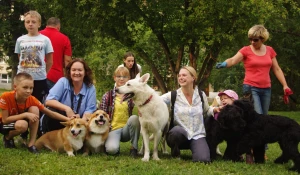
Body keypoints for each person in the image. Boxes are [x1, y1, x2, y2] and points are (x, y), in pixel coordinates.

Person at [216, 24, 291, 116]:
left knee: (264, 117)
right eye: (250, 39)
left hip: (266, 88)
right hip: (251, 88)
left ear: (262, 39)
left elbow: (277, 69)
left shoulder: (270, 50)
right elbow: (232, 60)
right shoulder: (246, 50)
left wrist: (285, 85)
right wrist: (224, 64)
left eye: (255, 40)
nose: (252, 42)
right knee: (257, 116)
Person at [0, 73, 67, 154]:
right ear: (15, 87)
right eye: (25, 87)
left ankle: (31, 144)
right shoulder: (6, 97)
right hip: (4, 124)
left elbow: (50, 113)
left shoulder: (32, 99)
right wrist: (25, 115)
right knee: (22, 125)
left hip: (20, 122)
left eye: (31, 88)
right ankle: (7, 137)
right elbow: (5, 120)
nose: (28, 91)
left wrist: (68, 119)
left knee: (34, 108)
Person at [161, 66, 213, 163]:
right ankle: (175, 151)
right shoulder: (173, 95)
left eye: (184, 75)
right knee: (176, 132)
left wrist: (215, 110)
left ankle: (197, 149)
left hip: (197, 135)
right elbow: (156, 101)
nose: (180, 77)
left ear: (193, 78)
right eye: (179, 75)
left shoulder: (201, 95)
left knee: (203, 160)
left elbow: (207, 111)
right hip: (179, 134)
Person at [42, 59, 97, 133]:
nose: (76, 73)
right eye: (73, 70)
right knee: (50, 110)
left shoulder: (90, 88)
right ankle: (45, 133)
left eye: (80, 70)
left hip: (78, 124)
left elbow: (89, 110)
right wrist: (67, 109)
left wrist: (80, 122)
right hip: (60, 120)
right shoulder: (63, 81)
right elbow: (49, 101)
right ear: (69, 72)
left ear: (85, 72)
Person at [99, 67, 140, 158]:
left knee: (134, 118)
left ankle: (134, 148)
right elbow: (101, 113)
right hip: (113, 129)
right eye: (119, 76)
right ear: (114, 78)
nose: (121, 79)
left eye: (125, 77)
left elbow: (141, 105)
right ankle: (114, 146)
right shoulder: (107, 95)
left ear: (128, 78)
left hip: (127, 129)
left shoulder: (132, 95)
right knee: (111, 150)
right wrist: (106, 125)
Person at [14, 10, 53, 103]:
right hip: (23, 78)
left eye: (33, 22)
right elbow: (20, 57)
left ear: (39, 24)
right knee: (21, 103)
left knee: (38, 104)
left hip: (39, 78)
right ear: (24, 24)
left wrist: (43, 72)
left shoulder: (45, 40)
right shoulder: (20, 40)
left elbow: (50, 61)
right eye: (27, 22)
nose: (30, 24)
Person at [40, 17, 72, 90]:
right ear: (58, 27)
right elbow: (67, 60)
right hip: (55, 77)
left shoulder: (38, 35)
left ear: (46, 26)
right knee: (53, 100)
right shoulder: (64, 39)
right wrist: (68, 77)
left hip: (37, 75)